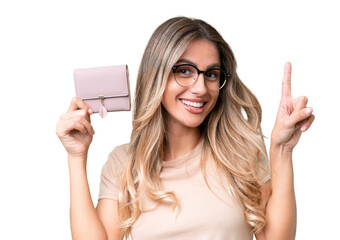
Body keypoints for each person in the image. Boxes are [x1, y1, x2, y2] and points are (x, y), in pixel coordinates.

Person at [56, 17, 315, 240]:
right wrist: (76, 157)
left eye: (211, 74)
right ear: (156, 75)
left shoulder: (241, 153)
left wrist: (281, 150)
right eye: (184, 70)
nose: (201, 87)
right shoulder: (124, 163)